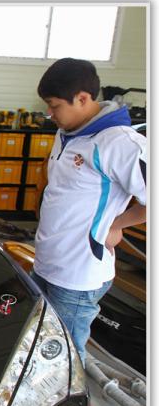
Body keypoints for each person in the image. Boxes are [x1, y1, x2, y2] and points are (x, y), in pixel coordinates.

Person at [31, 58, 146, 365]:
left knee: (66, 357)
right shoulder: (67, 133)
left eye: (55, 106)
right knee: (40, 344)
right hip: (47, 262)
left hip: (78, 274)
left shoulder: (120, 143)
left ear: (82, 99)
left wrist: (116, 225)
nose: (50, 113)